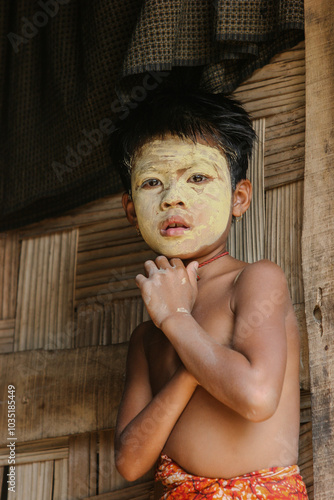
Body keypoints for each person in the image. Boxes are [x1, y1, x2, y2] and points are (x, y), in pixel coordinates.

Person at [111, 87, 308, 499]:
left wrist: (177, 322)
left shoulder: (255, 281)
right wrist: (188, 365)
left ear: (239, 197)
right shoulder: (147, 337)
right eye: (152, 182)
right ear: (130, 210)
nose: (172, 198)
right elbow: (130, 462)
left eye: (198, 177)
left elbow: (255, 398)